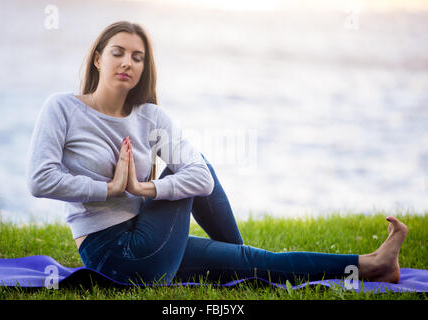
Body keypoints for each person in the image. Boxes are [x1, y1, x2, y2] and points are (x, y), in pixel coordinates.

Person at [26, 20, 408, 286]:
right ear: (97, 58)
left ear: (144, 68)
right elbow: (39, 180)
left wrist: (143, 190)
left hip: (152, 245)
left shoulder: (150, 117)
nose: (128, 62)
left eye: (138, 56)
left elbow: (200, 178)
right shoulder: (62, 108)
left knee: (205, 190)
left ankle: (374, 265)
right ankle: (243, 257)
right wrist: (110, 189)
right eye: (118, 52)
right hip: (113, 257)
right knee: (190, 175)